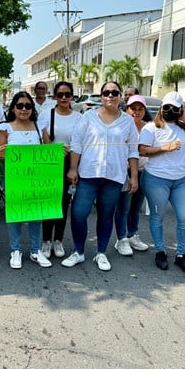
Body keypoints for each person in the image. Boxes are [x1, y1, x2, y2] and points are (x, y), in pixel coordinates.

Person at [62, 81, 139, 272]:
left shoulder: (127, 121)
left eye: (114, 92)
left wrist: (134, 176)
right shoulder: (88, 117)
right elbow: (77, 143)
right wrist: (73, 168)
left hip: (114, 176)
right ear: (101, 96)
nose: (110, 96)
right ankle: (79, 252)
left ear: (120, 96)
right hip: (89, 174)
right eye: (106, 92)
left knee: (106, 215)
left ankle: (101, 252)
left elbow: (133, 151)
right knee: (79, 213)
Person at [139, 91, 185, 274]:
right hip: (156, 179)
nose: (169, 110)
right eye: (166, 107)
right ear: (161, 107)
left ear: (180, 109)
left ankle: (182, 255)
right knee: (157, 216)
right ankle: (160, 250)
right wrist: (164, 148)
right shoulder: (151, 128)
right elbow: (142, 150)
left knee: (184, 218)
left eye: (174, 108)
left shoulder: (184, 128)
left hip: (180, 180)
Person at [0, 91, 51, 269]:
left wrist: (59, 151)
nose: (24, 109)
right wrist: (1, 154)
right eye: (20, 105)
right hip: (15, 178)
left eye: (28, 106)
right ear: (13, 108)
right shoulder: (5, 128)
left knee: (36, 216)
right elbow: (0, 155)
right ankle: (16, 250)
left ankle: (36, 250)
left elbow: (47, 150)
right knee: (15, 216)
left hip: (36, 178)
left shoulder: (39, 126)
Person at [37, 81, 81, 259]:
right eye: (60, 94)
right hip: (50, 164)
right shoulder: (47, 113)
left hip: (69, 164)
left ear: (72, 96)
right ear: (55, 96)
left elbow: (78, 143)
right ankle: (46, 240)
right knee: (49, 202)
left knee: (64, 203)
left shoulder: (78, 117)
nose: (64, 98)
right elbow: (41, 137)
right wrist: (53, 150)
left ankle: (58, 240)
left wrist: (73, 169)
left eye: (67, 94)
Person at [113, 95, 150, 256]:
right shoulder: (120, 126)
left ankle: (132, 234)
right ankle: (121, 238)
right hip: (124, 171)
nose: (136, 112)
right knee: (123, 207)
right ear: (126, 109)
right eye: (132, 109)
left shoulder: (149, 127)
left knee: (135, 207)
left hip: (143, 171)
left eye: (140, 109)